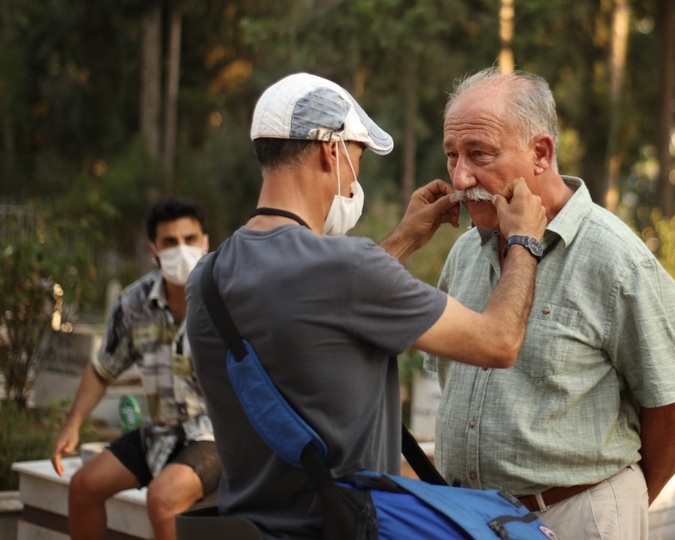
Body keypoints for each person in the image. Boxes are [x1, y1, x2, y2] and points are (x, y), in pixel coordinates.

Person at [184, 72, 546, 539]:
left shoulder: (207, 278)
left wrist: (402, 239)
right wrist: (523, 241)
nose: (356, 177)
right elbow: (499, 342)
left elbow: (318, 308)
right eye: (356, 159)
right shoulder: (347, 267)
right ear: (329, 151)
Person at [427, 67, 675, 540]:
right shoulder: (465, 251)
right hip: (469, 519)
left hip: (576, 518)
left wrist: (620, 502)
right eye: (452, 155)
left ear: (541, 153)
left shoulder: (616, 260)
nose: (460, 176)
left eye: (479, 154)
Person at [51, 196, 221, 540]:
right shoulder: (134, 303)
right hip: (159, 431)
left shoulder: (226, 297)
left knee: (162, 498)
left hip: (216, 436)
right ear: (153, 250)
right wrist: (73, 424)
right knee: (83, 487)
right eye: (169, 242)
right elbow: (104, 368)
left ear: (205, 241)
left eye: (190, 240)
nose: (181, 250)